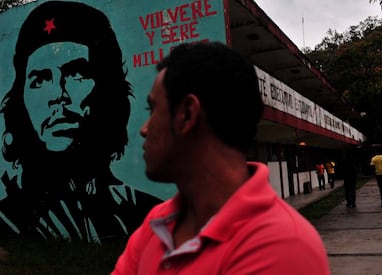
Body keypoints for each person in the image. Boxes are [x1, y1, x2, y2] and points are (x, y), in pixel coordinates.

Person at [112, 42, 330, 274]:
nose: (144, 129)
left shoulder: (282, 248)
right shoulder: (158, 222)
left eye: (152, 110)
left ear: (187, 114)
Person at [0, 1, 162, 243]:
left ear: (108, 90)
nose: (58, 95)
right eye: (40, 79)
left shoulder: (147, 215)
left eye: (76, 73)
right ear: (19, 100)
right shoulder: (7, 223)